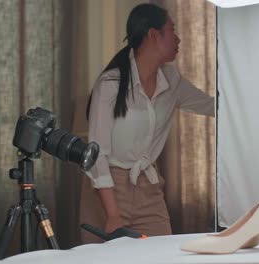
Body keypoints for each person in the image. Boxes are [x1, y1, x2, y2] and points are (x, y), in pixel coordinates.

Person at [80, 3, 214, 244]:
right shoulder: (110, 84)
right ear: (154, 35)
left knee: (162, 254)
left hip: (148, 186)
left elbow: (213, 107)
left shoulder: (172, 81)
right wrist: (112, 214)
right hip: (107, 189)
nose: (178, 38)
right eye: (172, 30)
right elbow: (96, 154)